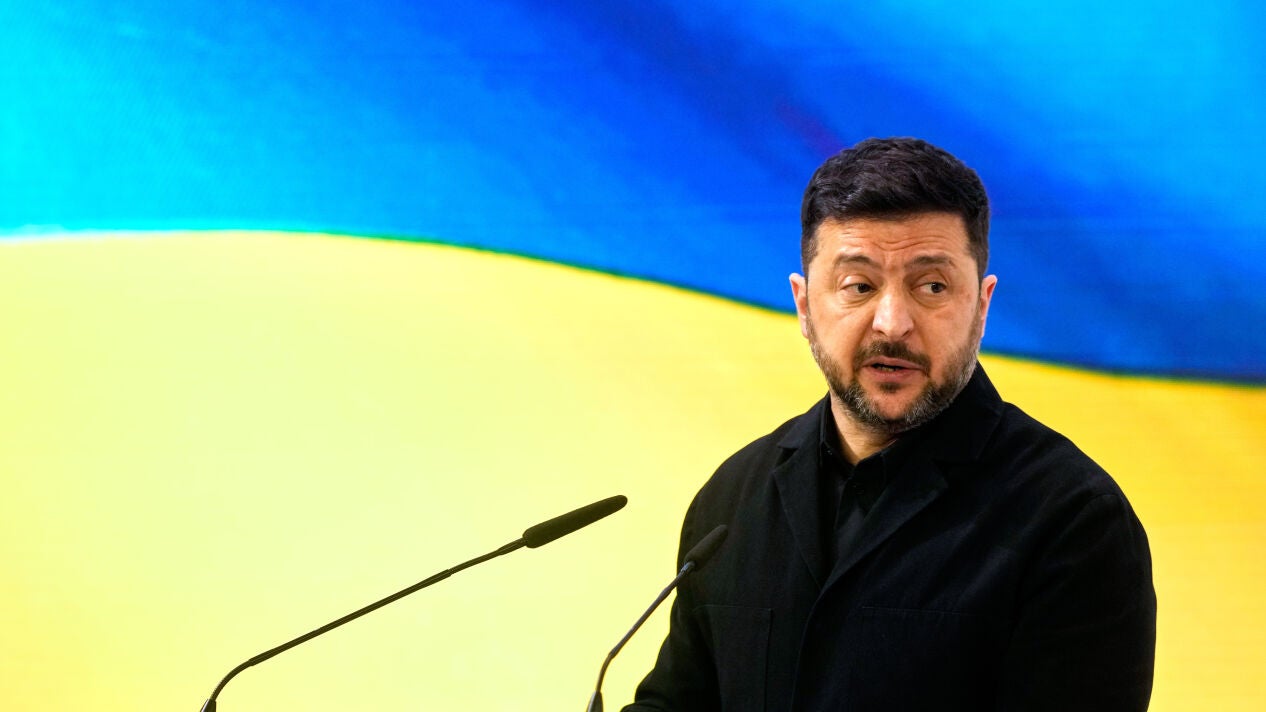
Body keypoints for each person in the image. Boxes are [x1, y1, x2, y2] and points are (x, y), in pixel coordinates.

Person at [623, 137, 1156, 711]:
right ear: (804, 305)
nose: (892, 323)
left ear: (981, 307)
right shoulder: (734, 500)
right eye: (859, 286)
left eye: (932, 287)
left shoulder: (1071, 518)